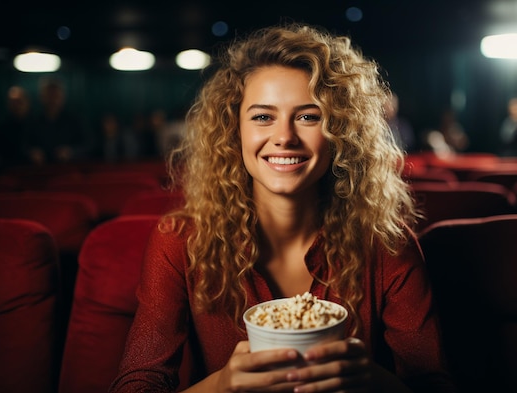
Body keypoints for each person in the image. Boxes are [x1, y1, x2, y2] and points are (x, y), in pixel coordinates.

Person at [110, 23, 454, 393]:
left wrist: (373, 381)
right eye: (262, 117)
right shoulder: (179, 243)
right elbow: (136, 384)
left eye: (308, 116)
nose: (285, 136)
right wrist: (222, 386)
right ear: (234, 130)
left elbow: (433, 384)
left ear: (340, 132)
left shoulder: (388, 246)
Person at [23, 77, 93, 164]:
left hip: (69, 170)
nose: (53, 100)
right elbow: (23, 145)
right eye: (49, 95)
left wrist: (71, 152)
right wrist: (32, 152)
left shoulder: (75, 120)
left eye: (56, 95)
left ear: (62, 96)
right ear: (41, 97)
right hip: (39, 171)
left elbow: (88, 144)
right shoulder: (32, 121)